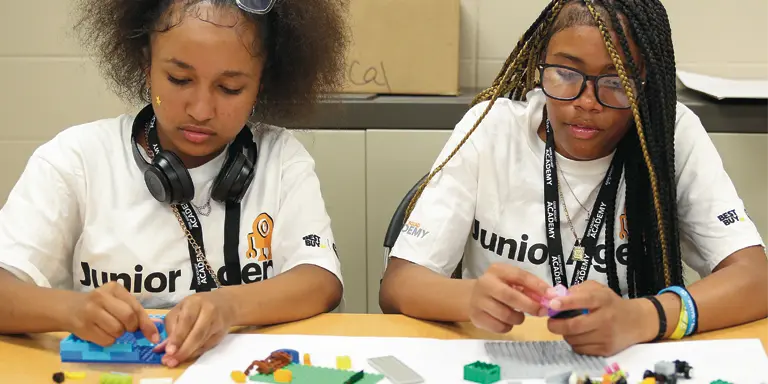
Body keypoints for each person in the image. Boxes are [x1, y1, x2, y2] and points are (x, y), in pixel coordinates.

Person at [380, 0, 768, 356]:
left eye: (616, 83)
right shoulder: (492, 129)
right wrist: (470, 298)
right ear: (539, 64)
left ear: (646, 82)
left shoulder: (670, 134)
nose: (587, 101)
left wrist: (643, 317)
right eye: (565, 73)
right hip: (503, 359)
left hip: (627, 359)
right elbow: (398, 286)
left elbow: (755, 278)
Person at [0, 0, 348, 367]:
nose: (200, 110)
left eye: (230, 88)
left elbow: (320, 280)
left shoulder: (281, 159)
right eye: (179, 80)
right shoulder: (76, 159)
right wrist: (72, 309)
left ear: (262, 83)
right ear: (145, 64)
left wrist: (229, 305)